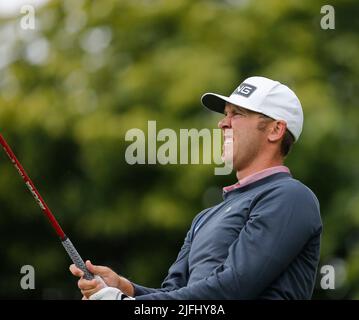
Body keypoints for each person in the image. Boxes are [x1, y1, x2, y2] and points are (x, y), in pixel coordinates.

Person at [70, 76, 322, 300]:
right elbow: (175, 294)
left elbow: (234, 288)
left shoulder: (291, 197)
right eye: (226, 114)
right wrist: (126, 289)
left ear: (275, 130)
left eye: (237, 114)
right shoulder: (205, 217)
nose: (223, 124)